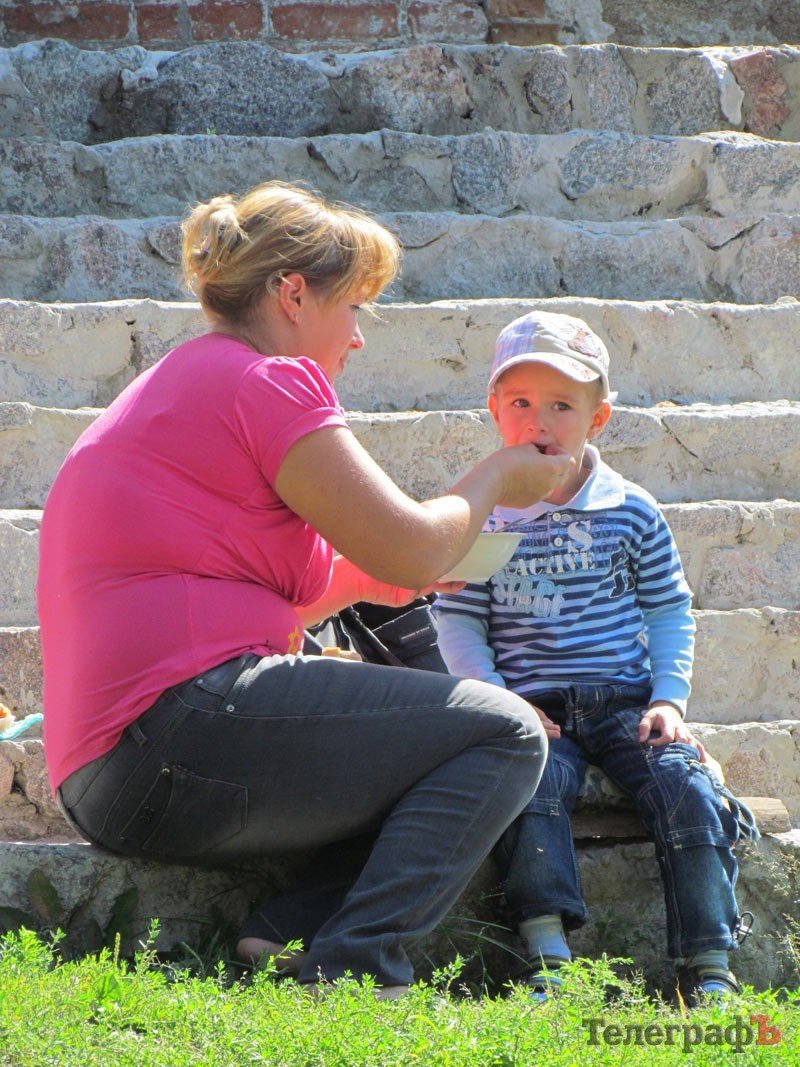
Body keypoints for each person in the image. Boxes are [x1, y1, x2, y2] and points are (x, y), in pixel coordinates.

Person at [37, 182, 576, 997]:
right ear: (293, 295)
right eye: (354, 306)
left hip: (111, 777)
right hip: (175, 730)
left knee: (430, 731)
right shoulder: (267, 381)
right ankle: (359, 967)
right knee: (501, 734)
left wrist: (406, 571)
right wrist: (498, 473)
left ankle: (285, 934)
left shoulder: (185, 383)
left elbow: (348, 575)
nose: (359, 337)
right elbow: (403, 541)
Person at [433, 311, 758, 1005]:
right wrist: (499, 699)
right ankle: (547, 952)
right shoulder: (479, 512)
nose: (538, 421)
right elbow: (458, 617)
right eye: (520, 403)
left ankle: (709, 961)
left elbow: (669, 607)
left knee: (687, 784)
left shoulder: (631, 509)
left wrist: (669, 698)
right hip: (532, 706)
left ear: (598, 417)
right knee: (528, 784)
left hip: (623, 697)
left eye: (561, 405)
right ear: (495, 410)